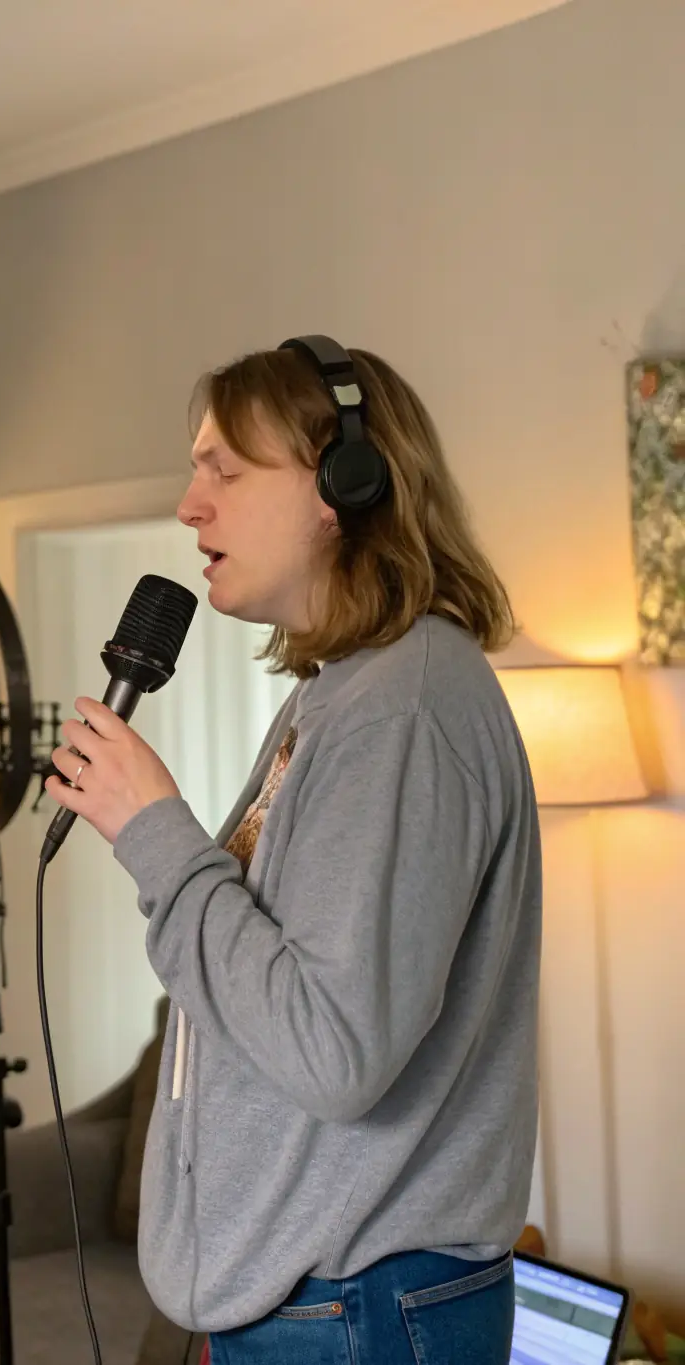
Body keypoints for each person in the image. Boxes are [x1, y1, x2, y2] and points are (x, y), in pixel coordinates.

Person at [46, 336, 542, 1365]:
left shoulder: (403, 710)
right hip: (312, 1303)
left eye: (222, 469)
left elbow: (334, 1051)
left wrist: (155, 833)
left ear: (343, 486)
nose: (189, 504)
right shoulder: (338, 696)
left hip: (356, 1311)